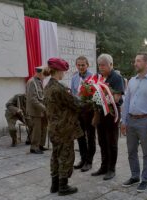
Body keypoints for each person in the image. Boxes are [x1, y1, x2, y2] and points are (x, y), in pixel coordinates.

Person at [121, 52, 147, 192]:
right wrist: (123, 120)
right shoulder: (132, 81)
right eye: (135, 61)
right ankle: (134, 176)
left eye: (138, 61)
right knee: (131, 151)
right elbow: (126, 101)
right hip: (131, 121)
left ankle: (145, 179)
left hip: (146, 122)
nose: (135, 63)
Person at [43, 58, 83, 196]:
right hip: (64, 128)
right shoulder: (59, 89)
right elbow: (76, 105)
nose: (64, 74)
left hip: (53, 128)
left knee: (55, 155)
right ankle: (63, 186)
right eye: (63, 71)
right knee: (66, 156)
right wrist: (90, 102)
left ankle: (54, 185)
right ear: (58, 71)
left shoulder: (47, 87)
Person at [91, 54, 125, 180]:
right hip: (100, 114)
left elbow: (116, 98)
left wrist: (101, 98)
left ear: (111, 64)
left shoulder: (116, 77)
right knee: (101, 141)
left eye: (103, 65)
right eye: (99, 65)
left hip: (111, 114)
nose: (101, 67)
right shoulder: (99, 77)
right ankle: (103, 166)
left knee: (111, 142)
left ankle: (112, 169)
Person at [71, 56, 96, 172]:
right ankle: (83, 159)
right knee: (80, 136)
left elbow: (96, 96)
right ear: (76, 65)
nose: (81, 67)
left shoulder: (93, 77)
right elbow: (73, 93)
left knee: (90, 137)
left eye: (83, 65)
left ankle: (89, 161)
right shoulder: (74, 77)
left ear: (87, 65)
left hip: (89, 111)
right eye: (79, 65)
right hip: (78, 111)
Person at [26, 66, 48, 154]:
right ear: (39, 73)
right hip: (35, 111)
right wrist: (44, 108)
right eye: (44, 74)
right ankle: (34, 147)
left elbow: (42, 96)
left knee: (44, 128)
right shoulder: (32, 82)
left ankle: (40, 145)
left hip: (41, 110)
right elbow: (33, 99)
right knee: (37, 130)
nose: (45, 76)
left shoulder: (39, 81)